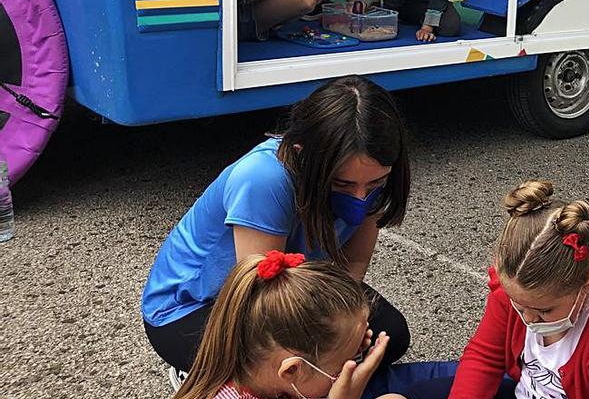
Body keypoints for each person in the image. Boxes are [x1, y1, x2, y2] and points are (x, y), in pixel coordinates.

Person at [142, 76, 413, 382]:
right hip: (198, 306)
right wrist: (331, 347)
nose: (361, 198)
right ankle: (197, 374)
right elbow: (262, 295)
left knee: (389, 337)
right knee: (289, 368)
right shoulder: (263, 179)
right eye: (342, 184)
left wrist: (345, 329)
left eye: (375, 183)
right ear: (302, 153)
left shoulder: (371, 175)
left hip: (296, 283)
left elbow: (353, 264)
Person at [429, 180, 589, 399]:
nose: (529, 319)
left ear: (586, 287)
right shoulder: (515, 289)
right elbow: (484, 358)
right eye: (519, 307)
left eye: (544, 311)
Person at [152, 254, 419, 399]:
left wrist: (344, 365)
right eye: (339, 369)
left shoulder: (252, 372)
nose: (347, 369)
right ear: (292, 369)